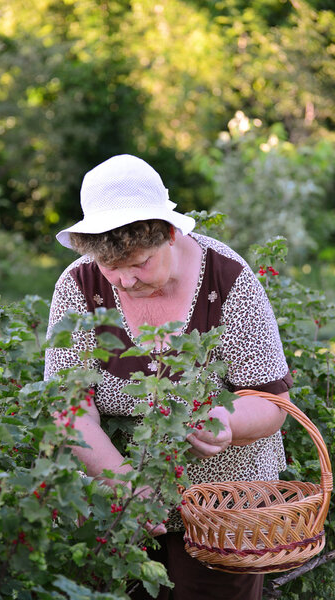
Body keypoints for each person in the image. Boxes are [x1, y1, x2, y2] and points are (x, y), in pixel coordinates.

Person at [44, 154, 293, 600]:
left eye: (139, 263)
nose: (124, 280)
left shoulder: (227, 278)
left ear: (171, 234)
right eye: (109, 267)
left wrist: (227, 422)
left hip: (224, 504)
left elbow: (271, 401)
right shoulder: (78, 286)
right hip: (122, 492)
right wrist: (125, 484)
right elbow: (69, 408)